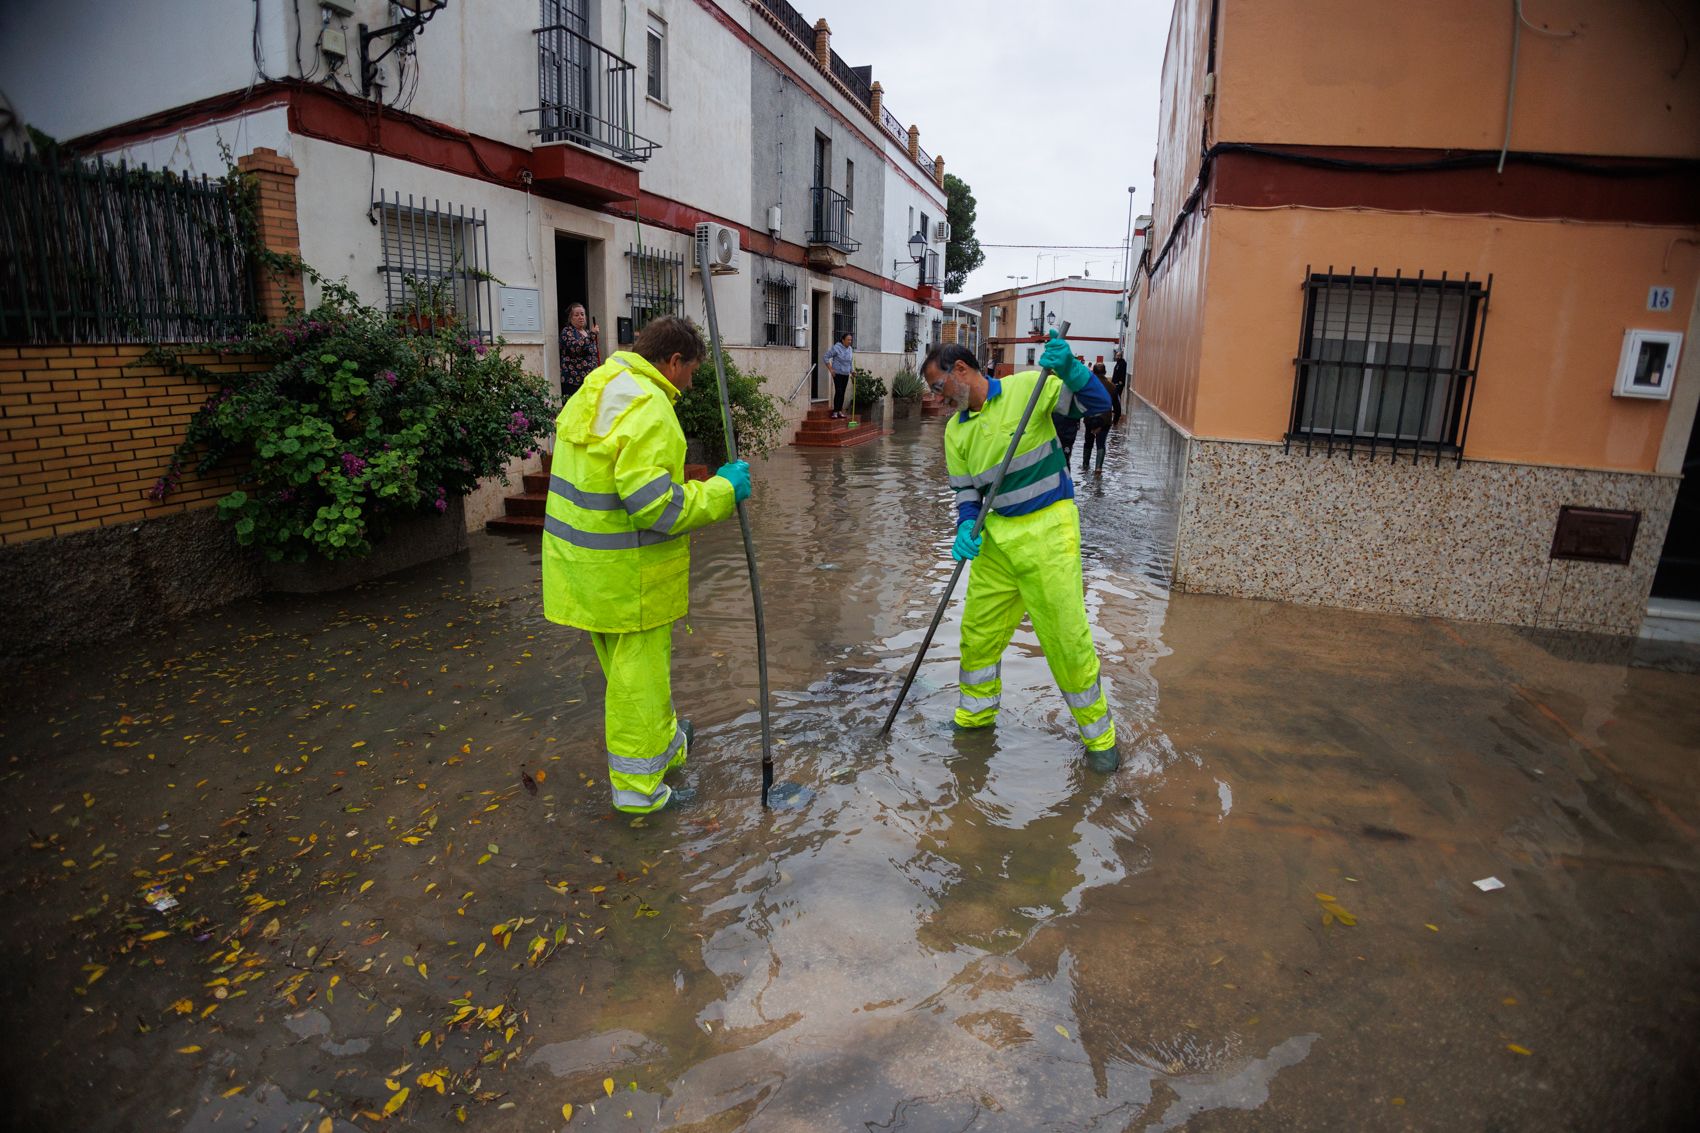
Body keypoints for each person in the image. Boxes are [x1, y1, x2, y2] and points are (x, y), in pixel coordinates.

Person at [542, 316, 753, 814]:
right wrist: (723, 490)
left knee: (634, 676)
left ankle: (667, 745)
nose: (692, 382)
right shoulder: (651, 407)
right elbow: (657, 507)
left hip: (583, 569)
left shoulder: (601, 385)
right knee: (638, 684)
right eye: (692, 371)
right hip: (628, 577)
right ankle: (640, 794)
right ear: (673, 361)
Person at [920, 334, 1120, 773]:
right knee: (978, 637)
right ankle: (974, 720)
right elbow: (967, 494)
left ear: (961, 371)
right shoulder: (956, 433)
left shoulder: (1028, 388)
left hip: (1048, 533)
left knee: (1066, 640)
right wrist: (965, 527)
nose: (936, 399)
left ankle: (1100, 738)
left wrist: (1070, 368)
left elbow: (1097, 407)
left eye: (938, 387)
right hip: (995, 543)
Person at [559, 302, 600, 397]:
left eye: (582, 314)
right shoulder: (567, 331)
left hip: (589, 380)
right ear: (571, 318)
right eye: (576, 315)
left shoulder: (587, 332)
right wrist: (592, 335)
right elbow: (575, 347)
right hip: (574, 381)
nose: (580, 317)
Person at [1081, 366, 1116, 474]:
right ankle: (1098, 468)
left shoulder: (1088, 384)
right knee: (1101, 443)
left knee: (1088, 441)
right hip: (1105, 419)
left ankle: (1085, 465)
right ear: (1105, 372)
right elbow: (1117, 405)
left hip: (1090, 418)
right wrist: (1116, 418)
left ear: (1093, 372)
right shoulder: (1111, 386)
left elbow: (1081, 401)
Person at [823, 331, 855, 419]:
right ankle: (835, 412)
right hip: (837, 373)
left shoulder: (850, 349)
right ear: (843, 340)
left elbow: (850, 361)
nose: (849, 342)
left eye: (851, 340)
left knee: (843, 392)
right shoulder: (836, 348)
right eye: (848, 340)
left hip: (846, 374)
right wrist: (831, 369)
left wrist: (852, 371)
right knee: (839, 391)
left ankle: (840, 411)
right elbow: (825, 357)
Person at [1110, 349, 1128, 427]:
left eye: (1118, 355)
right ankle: (1116, 410)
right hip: (1115, 383)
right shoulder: (1117, 363)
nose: (1117, 357)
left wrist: (1121, 381)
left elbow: (1123, 373)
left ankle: (1118, 412)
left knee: (1117, 397)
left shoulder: (1123, 363)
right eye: (1116, 355)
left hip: (1119, 384)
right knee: (1114, 397)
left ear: (1121, 356)